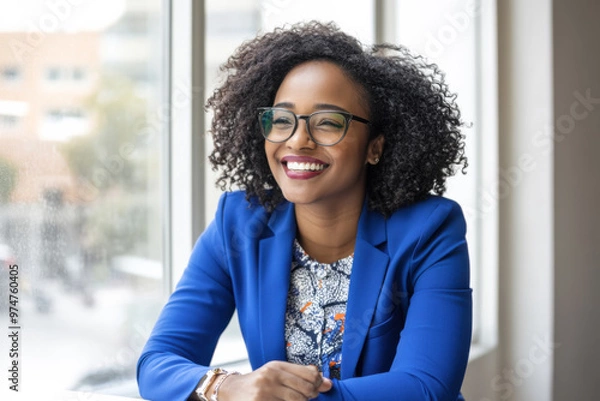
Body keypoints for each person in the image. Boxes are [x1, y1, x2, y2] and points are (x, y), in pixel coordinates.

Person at [137, 21, 471, 401]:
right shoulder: (239, 223)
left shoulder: (429, 229)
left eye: (328, 123)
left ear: (375, 147)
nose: (298, 140)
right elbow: (157, 364)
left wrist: (282, 396)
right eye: (281, 120)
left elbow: (425, 387)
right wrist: (229, 387)